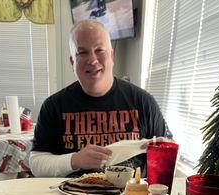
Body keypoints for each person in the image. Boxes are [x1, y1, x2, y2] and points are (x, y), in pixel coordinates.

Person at [29, 20, 171, 178]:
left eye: (99, 50)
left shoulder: (144, 102)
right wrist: (75, 160)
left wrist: (162, 149)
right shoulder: (53, 106)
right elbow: (36, 163)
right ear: (72, 62)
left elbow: (166, 154)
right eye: (82, 52)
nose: (92, 59)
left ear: (111, 55)